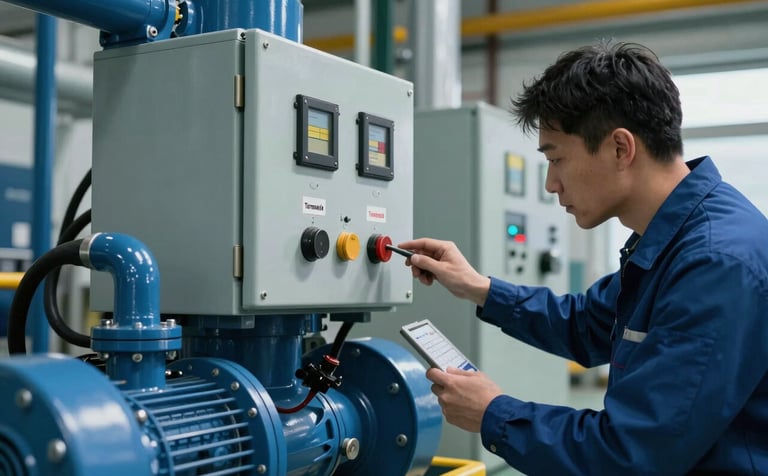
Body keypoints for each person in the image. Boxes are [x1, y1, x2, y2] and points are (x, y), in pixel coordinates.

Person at [399, 40, 768, 475]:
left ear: (620, 149)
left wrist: (493, 413)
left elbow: (631, 453)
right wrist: (479, 288)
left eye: (557, 159)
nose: (552, 184)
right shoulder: (674, 238)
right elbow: (588, 323)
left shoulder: (713, 262)